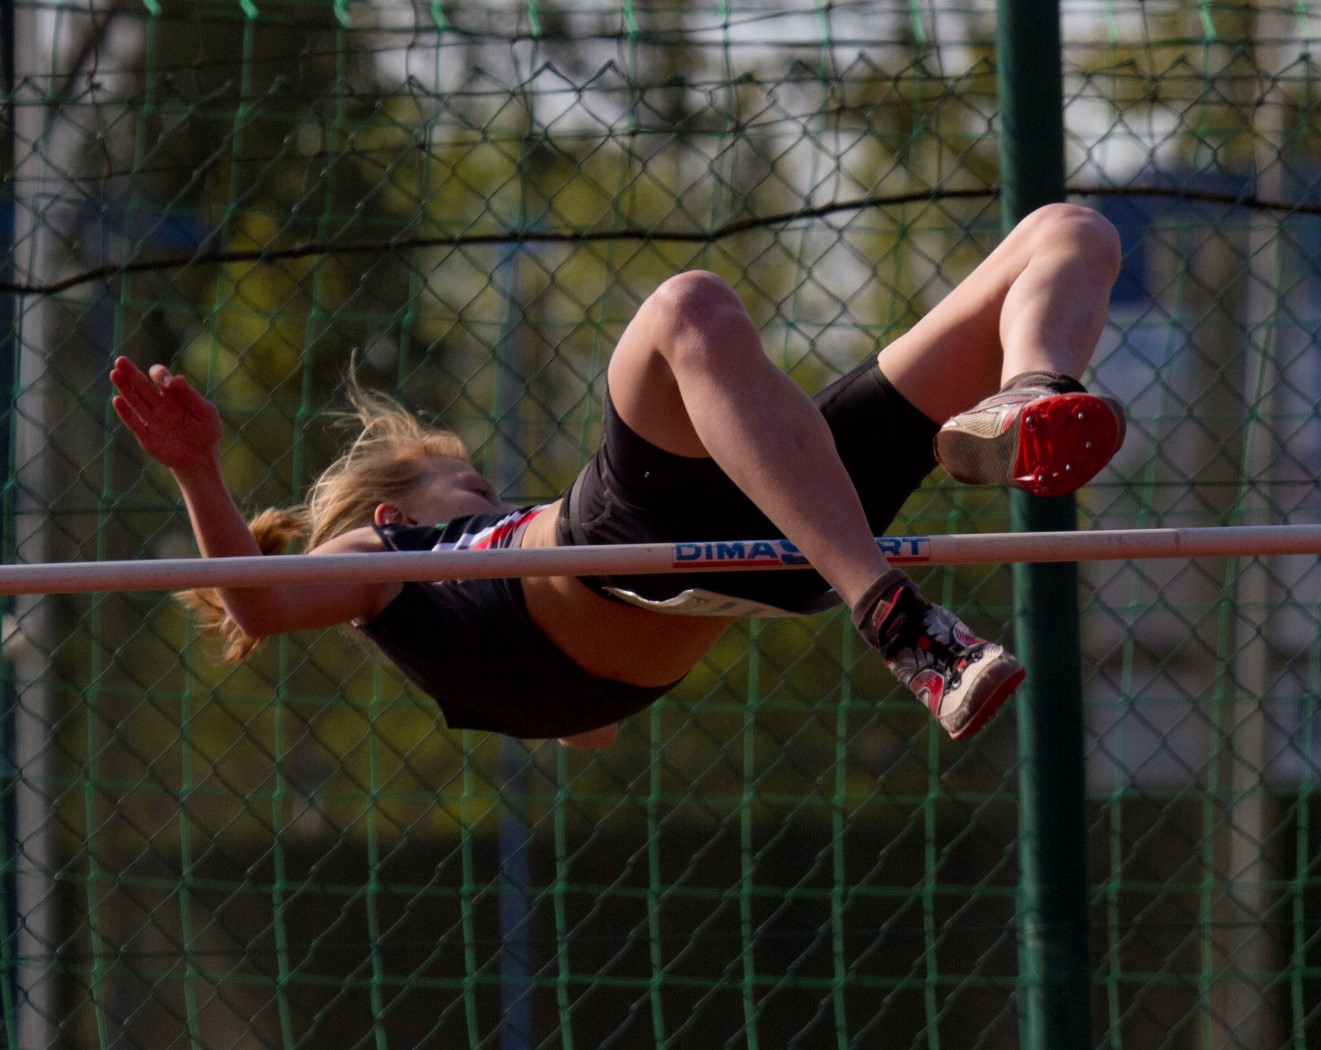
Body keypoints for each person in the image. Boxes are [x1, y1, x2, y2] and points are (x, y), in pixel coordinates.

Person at [110, 202, 1124, 749]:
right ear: (390, 514)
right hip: (654, 550)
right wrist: (199, 469)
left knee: (1070, 231)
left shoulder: (508, 666)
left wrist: (540, 708)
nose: (492, 497)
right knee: (685, 307)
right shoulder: (393, 561)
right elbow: (254, 597)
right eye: (466, 489)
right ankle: (900, 622)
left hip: (783, 532)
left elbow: (587, 724)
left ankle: (1028, 392)